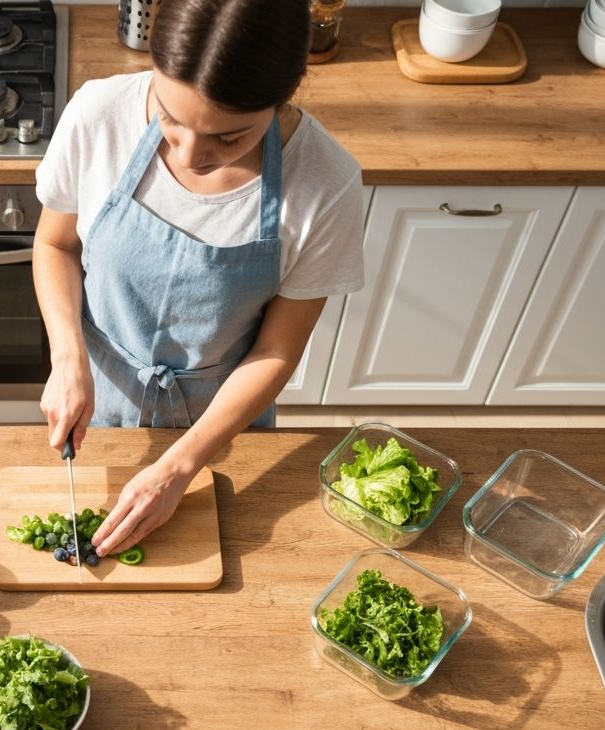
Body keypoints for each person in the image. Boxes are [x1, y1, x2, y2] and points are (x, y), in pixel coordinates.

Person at [33, 0, 365, 556]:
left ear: (285, 94)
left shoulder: (325, 184)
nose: (190, 154)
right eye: (169, 117)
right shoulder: (98, 113)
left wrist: (181, 466)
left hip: (224, 424)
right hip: (96, 400)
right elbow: (55, 244)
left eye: (229, 137)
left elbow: (277, 350)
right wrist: (67, 360)